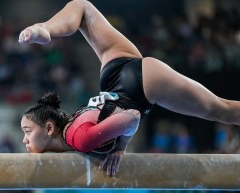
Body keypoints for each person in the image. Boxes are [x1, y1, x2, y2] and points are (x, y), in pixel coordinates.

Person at [19, 0, 240, 176]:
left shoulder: (80, 140)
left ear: (49, 128)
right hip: (114, 73)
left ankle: (45, 29)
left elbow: (132, 118)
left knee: (223, 111)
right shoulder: (71, 131)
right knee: (82, 6)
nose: (24, 140)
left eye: (27, 132)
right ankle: (44, 28)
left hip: (141, 86)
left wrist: (121, 146)